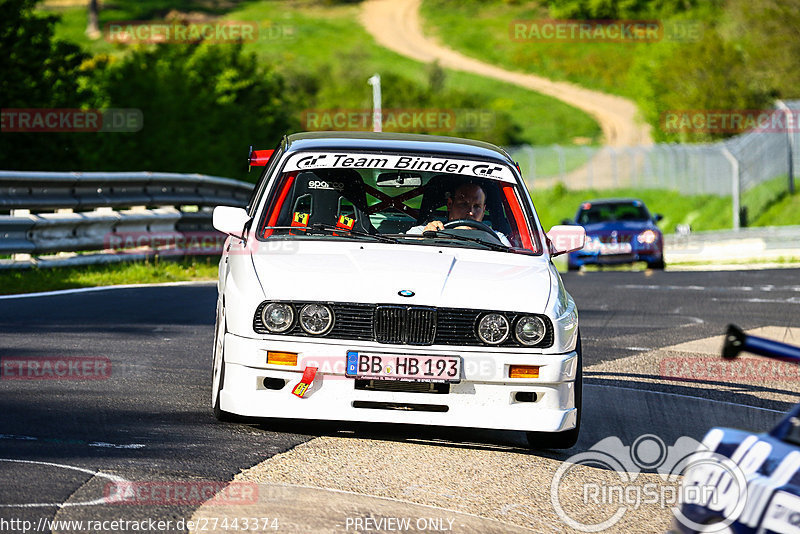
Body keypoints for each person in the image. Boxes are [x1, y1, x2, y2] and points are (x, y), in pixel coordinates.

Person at [407, 182, 511, 246]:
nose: (470, 212)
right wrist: (422, 240)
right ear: (450, 204)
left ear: (484, 210)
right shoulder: (421, 232)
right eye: (463, 204)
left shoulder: (498, 239)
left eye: (477, 206)